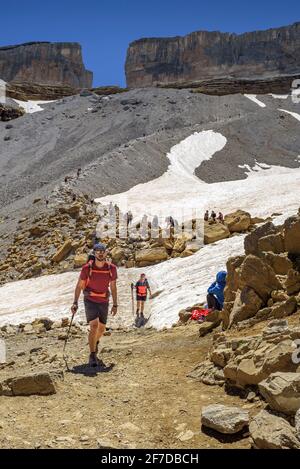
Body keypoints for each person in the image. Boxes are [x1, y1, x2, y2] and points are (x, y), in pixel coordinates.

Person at [71, 243, 118, 367]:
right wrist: (75, 302)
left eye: (102, 251)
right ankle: (92, 355)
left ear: (106, 253)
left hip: (104, 300)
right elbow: (80, 285)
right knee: (94, 326)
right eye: (98, 251)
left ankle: (94, 342)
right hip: (90, 300)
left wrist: (115, 304)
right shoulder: (87, 268)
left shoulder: (111, 268)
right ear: (94, 253)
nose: (100, 253)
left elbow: (113, 286)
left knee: (101, 329)